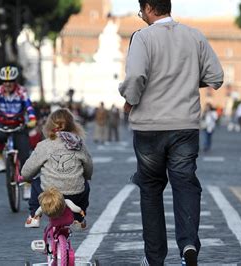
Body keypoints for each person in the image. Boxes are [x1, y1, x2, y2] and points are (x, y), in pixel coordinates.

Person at [118, 1, 224, 265]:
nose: (141, 16)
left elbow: (136, 77)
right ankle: (188, 244)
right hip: (184, 126)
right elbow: (216, 77)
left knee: (151, 189)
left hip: (149, 127)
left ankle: (155, 258)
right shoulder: (194, 35)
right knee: (185, 183)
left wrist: (129, 101)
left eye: (141, 10)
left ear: (150, 7)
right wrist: (187, 78)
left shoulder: (142, 38)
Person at [21, 108, 92, 229]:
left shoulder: (44, 145)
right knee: (85, 186)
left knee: (36, 183)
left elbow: (27, 170)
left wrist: (25, 177)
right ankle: (79, 219)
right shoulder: (79, 144)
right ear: (72, 125)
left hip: (49, 194)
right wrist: (86, 176)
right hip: (74, 195)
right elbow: (88, 167)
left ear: (49, 126)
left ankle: (34, 217)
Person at [0, 65, 37, 172]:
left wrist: (32, 118)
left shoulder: (22, 91)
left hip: (19, 124)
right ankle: (0, 160)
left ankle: (26, 184)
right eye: (5, 81)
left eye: (11, 81)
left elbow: (29, 106)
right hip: (2, 123)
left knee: (24, 152)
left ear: (15, 81)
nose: (7, 84)